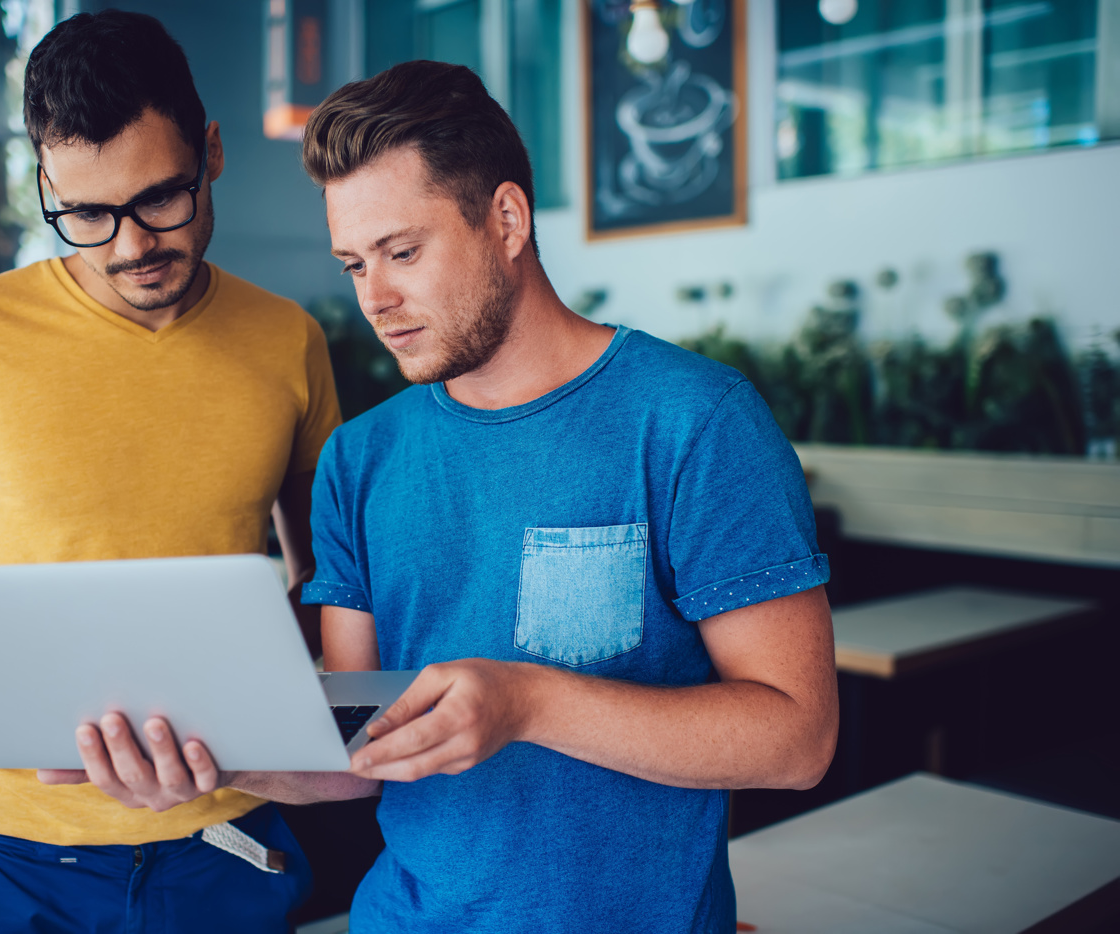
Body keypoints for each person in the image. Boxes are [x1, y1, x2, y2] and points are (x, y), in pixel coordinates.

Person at [61, 60, 839, 933]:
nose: (376, 300)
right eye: (354, 263)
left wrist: (529, 702)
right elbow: (360, 749)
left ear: (505, 218)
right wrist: (198, 760)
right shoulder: (360, 458)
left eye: (403, 251)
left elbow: (797, 739)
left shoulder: (693, 422)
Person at [0, 11, 339, 933]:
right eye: (87, 214)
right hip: (10, 851)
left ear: (211, 151)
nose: (129, 244)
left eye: (159, 200)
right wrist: (34, 699)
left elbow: (331, 587)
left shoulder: (288, 342)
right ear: (46, 185)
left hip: (224, 845)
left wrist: (237, 706)